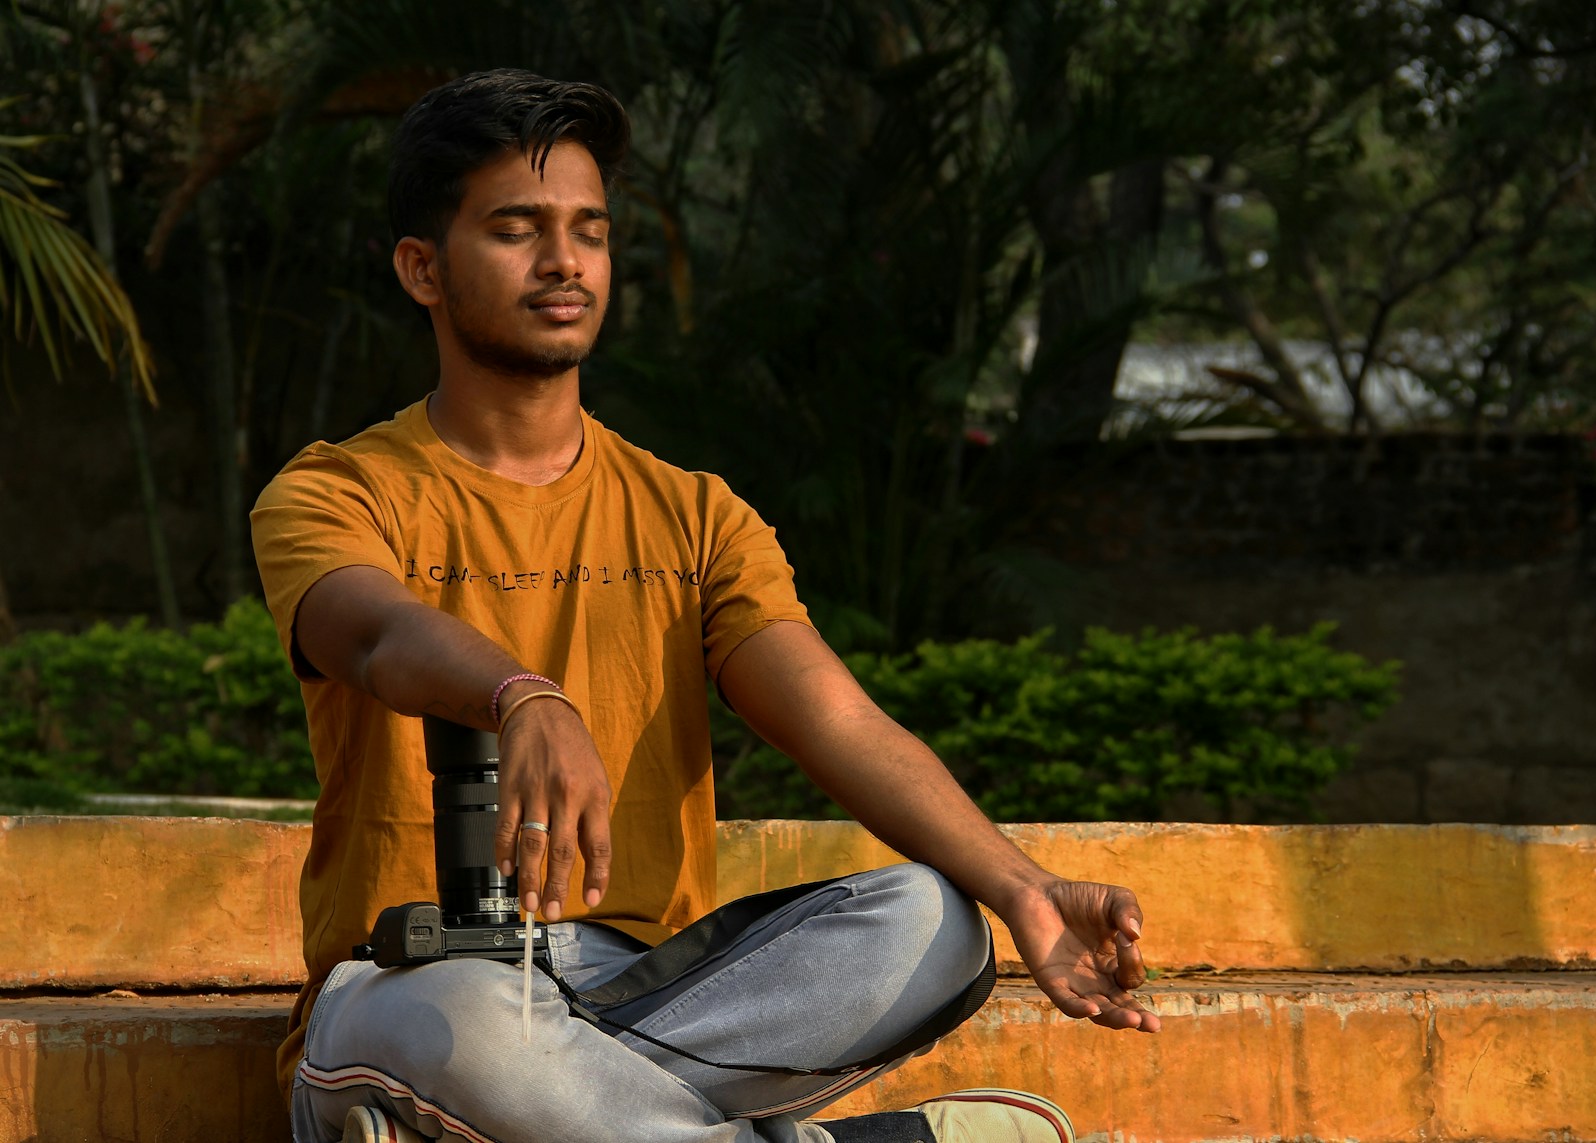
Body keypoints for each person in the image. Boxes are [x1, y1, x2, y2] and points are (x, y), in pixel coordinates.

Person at [251, 68, 1159, 1143]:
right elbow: (375, 632)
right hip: (417, 975)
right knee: (469, 1023)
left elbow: (836, 718)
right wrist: (523, 695)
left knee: (933, 923)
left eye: (588, 230)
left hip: (659, 990)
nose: (564, 262)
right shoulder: (335, 491)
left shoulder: (693, 514)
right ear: (422, 268)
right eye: (515, 229)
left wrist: (1023, 888)